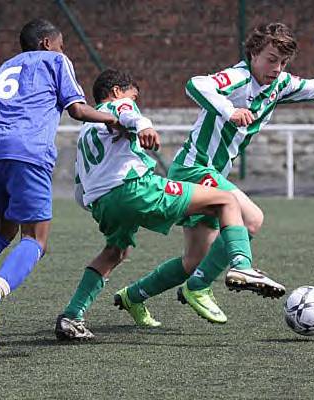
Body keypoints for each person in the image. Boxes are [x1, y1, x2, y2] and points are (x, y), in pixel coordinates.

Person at [120, 22, 314, 324]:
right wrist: (228, 110)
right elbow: (196, 84)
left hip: (212, 173)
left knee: (193, 261)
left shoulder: (279, 84)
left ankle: (132, 296)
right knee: (251, 218)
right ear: (254, 53)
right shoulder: (239, 76)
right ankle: (217, 278)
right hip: (193, 168)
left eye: (283, 62)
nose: (277, 67)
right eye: (271, 59)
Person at [0, 19, 122, 357]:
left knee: (2, 231)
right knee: (36, 239)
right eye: (62, 45)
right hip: (29, 151)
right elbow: (77, 109)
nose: (64, 52)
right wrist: (113, 119)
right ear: (47, 43)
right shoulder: (54, 61)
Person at [54, 68, 262, 340]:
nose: (134, 101)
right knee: (226, 200)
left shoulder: (86, 131)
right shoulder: (117, 105)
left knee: (114, 252)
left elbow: (81, 187)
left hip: (101, 203)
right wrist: (144, 125)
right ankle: (241, 265)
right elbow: (128, 112)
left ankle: (72, 315)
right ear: (117, 91)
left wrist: (102, 206)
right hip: (134, 189)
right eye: (133, 95)